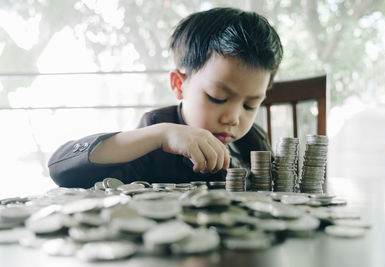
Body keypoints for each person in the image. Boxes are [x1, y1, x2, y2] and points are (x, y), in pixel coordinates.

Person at [48, 7, 283, 188]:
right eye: (217, 98)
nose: (233, 117)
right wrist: (160, 136)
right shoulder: (155, 134)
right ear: (179, 84)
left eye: (250, 105)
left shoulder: (252, 140)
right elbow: (62, 169)